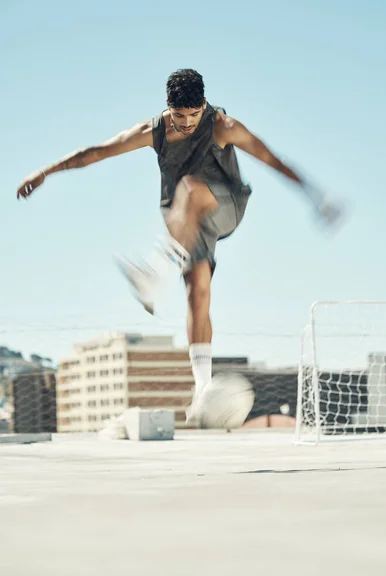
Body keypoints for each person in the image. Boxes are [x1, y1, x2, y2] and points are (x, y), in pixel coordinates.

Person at [16, 68, 342, 425]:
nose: (187, 124)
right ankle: (202, 389)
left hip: (226, 204)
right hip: (185, 222)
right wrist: (45, 172)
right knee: (197, 291)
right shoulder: (153, 131)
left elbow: (273, 160)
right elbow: (98, 152)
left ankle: (155, 274)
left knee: (190, 188)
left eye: (193, 115)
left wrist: (315, 196)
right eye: (179, 116)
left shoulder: (224, 125)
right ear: (168, 108)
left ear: (204, 105)